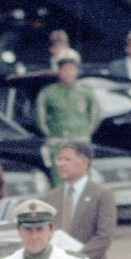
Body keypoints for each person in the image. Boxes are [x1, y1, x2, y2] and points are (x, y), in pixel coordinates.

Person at [35, 50, 101, 186]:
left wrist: (84, 133)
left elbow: (95, 115)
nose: (68, 73)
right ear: (58, 71)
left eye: (71, 69)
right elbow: (40, 118)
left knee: (82, 182)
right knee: (60, 182)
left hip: (80, 143)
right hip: (59, 144)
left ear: (77, 71)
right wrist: (52, 135)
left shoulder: (85, 92)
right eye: (64, 69)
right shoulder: (48, 93)